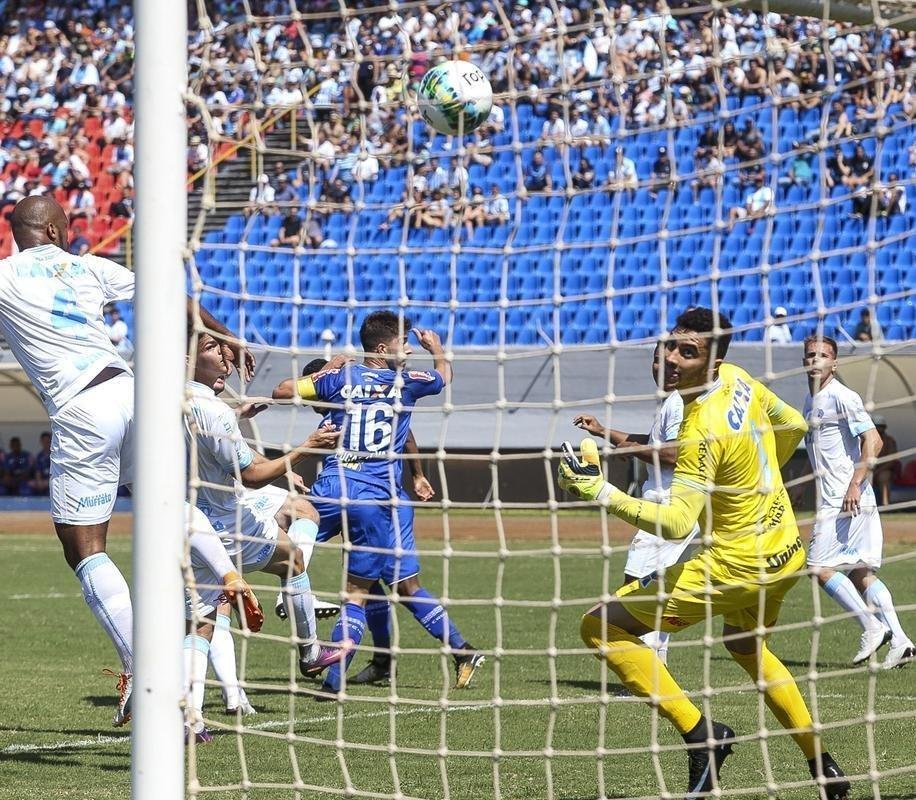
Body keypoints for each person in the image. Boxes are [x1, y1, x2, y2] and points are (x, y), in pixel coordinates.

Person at [557, 307, 850, 800]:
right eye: (671, 345)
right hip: (785, 553)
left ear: (712, 361)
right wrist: (758, 482)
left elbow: (676, 523)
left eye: (686, 352)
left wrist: (600, 493)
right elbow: (795, 424)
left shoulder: (699, 429)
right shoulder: (738, 378)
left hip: (734, 565)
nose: (671, 358)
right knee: (747, 649)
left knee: (599, 625)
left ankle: (702, 736)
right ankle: (823, 766)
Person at [0, 196, 256, 728]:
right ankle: (227, 572)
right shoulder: (87, 266)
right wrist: (223, 333)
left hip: (82, 406)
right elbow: (171, 295)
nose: (70, 233)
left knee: (84, 547)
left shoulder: (5, 277)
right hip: (130, 390)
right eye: (66, 226)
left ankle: (144, 670)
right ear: (50, 228)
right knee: (164, 501)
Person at [272, 311, 484, 697]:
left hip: (339, 491)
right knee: (368, 588)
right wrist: (437, 350)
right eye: (404, 343)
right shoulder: (406, 383)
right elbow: (444, 378)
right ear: (384, 348)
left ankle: (300, 603)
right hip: (374, 498)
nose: (409, 349)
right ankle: (359, 663)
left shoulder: (341, 378)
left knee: (290, 535)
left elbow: (282, 391)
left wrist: (328, 370)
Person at [185, 329, 343, 719]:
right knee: (292, 559)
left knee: (301, 510)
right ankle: (309, 650)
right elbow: (252, 474)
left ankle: (194, 713)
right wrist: (307, 448)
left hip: (184, 518)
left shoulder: (173, 397)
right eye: (211, 349)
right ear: (187, 360)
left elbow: (222, 448)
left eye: (224, 349)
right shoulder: (215, 412)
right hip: (225, 520)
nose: (225, 358)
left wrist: (237, 416)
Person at [572, 344, 699, 664]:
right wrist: (603, 431)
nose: (664, 367)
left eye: (671, 361)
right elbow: (653, 443)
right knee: (659, 589)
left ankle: (649, 664)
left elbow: (674, 453)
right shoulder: (677, 401)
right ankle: (658, 661)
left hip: (669, 506)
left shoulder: (678, 402)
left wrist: (629, 452)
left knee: (634, 589)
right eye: (657, 361)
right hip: (680, 509)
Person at [799, 336, 913, 669]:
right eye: (810, 355)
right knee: (859, 573)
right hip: (840, 495)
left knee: (818, 568)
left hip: (844, 496)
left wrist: (854, 483)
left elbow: (873, 440)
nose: (815, 360)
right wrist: (804, 480)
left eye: (823, 355)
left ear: (834, 363)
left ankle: (871, 625)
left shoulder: (842, 396)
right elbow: (818, 448)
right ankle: (902, 641)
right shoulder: (811, 399)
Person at [871, 416, 901, 507]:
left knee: (884, 476)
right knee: (865, 476)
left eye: (881, 426)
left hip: (884, 470)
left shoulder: (890, 441)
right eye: (877, 426)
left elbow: (892, 461)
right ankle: (867, 506)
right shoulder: (866, 440)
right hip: (869, 469)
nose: (879, 429)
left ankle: (885, 505)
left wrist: (877, 472)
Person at [28, 431, 52, 495]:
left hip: (52, 481)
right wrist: (39, 482)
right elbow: (37, 471)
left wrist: (48, 482)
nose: (46, 443)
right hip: (42, 482)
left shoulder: (55, 456)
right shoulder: (39, 456)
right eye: (44, 441)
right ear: (41, 442)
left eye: (48, 441)